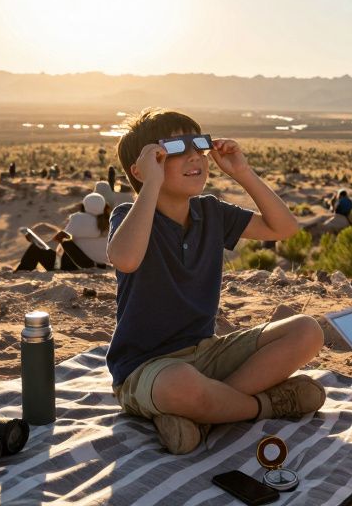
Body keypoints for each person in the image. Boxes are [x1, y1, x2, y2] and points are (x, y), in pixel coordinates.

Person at [106, 108, 325, 455]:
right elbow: (126, 258)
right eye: (176, 148)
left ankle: (204, 415)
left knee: (308, 329)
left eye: (200, 145)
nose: (195, 155)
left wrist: (242, 172)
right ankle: (264, 405)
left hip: (207, 353)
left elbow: (284, 228)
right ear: (143, 168)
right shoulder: (129, 216)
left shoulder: (211, 212)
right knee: (182, 385)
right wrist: (151, 185)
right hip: (147, 368)